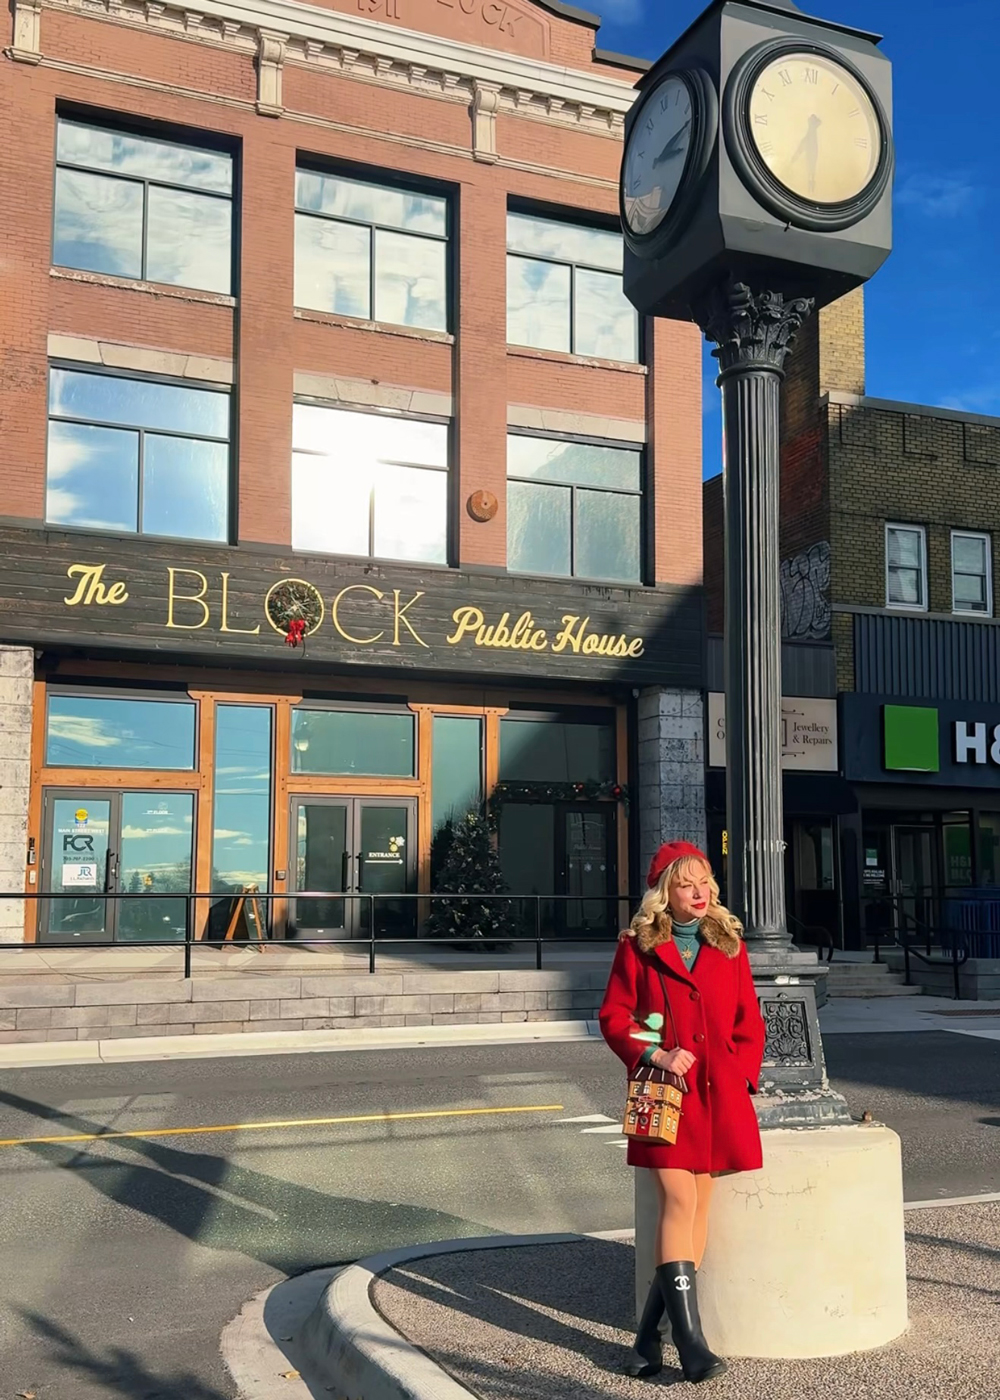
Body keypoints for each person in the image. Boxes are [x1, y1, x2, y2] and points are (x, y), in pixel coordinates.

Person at [599, 840, 766, 1384]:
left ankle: (649, 1339)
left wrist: (740, 1074)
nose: (700, 892)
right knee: (678, 1200)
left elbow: (748, 1021)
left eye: (705, 882)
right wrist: (657, 1050)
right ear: (664, 891)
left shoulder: (729, 945)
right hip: (666, 1096)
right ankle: (692, 1343)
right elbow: (617, 1017)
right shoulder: (639, 947)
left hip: (718, 1097)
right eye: (686, 883)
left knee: (698, 1213)